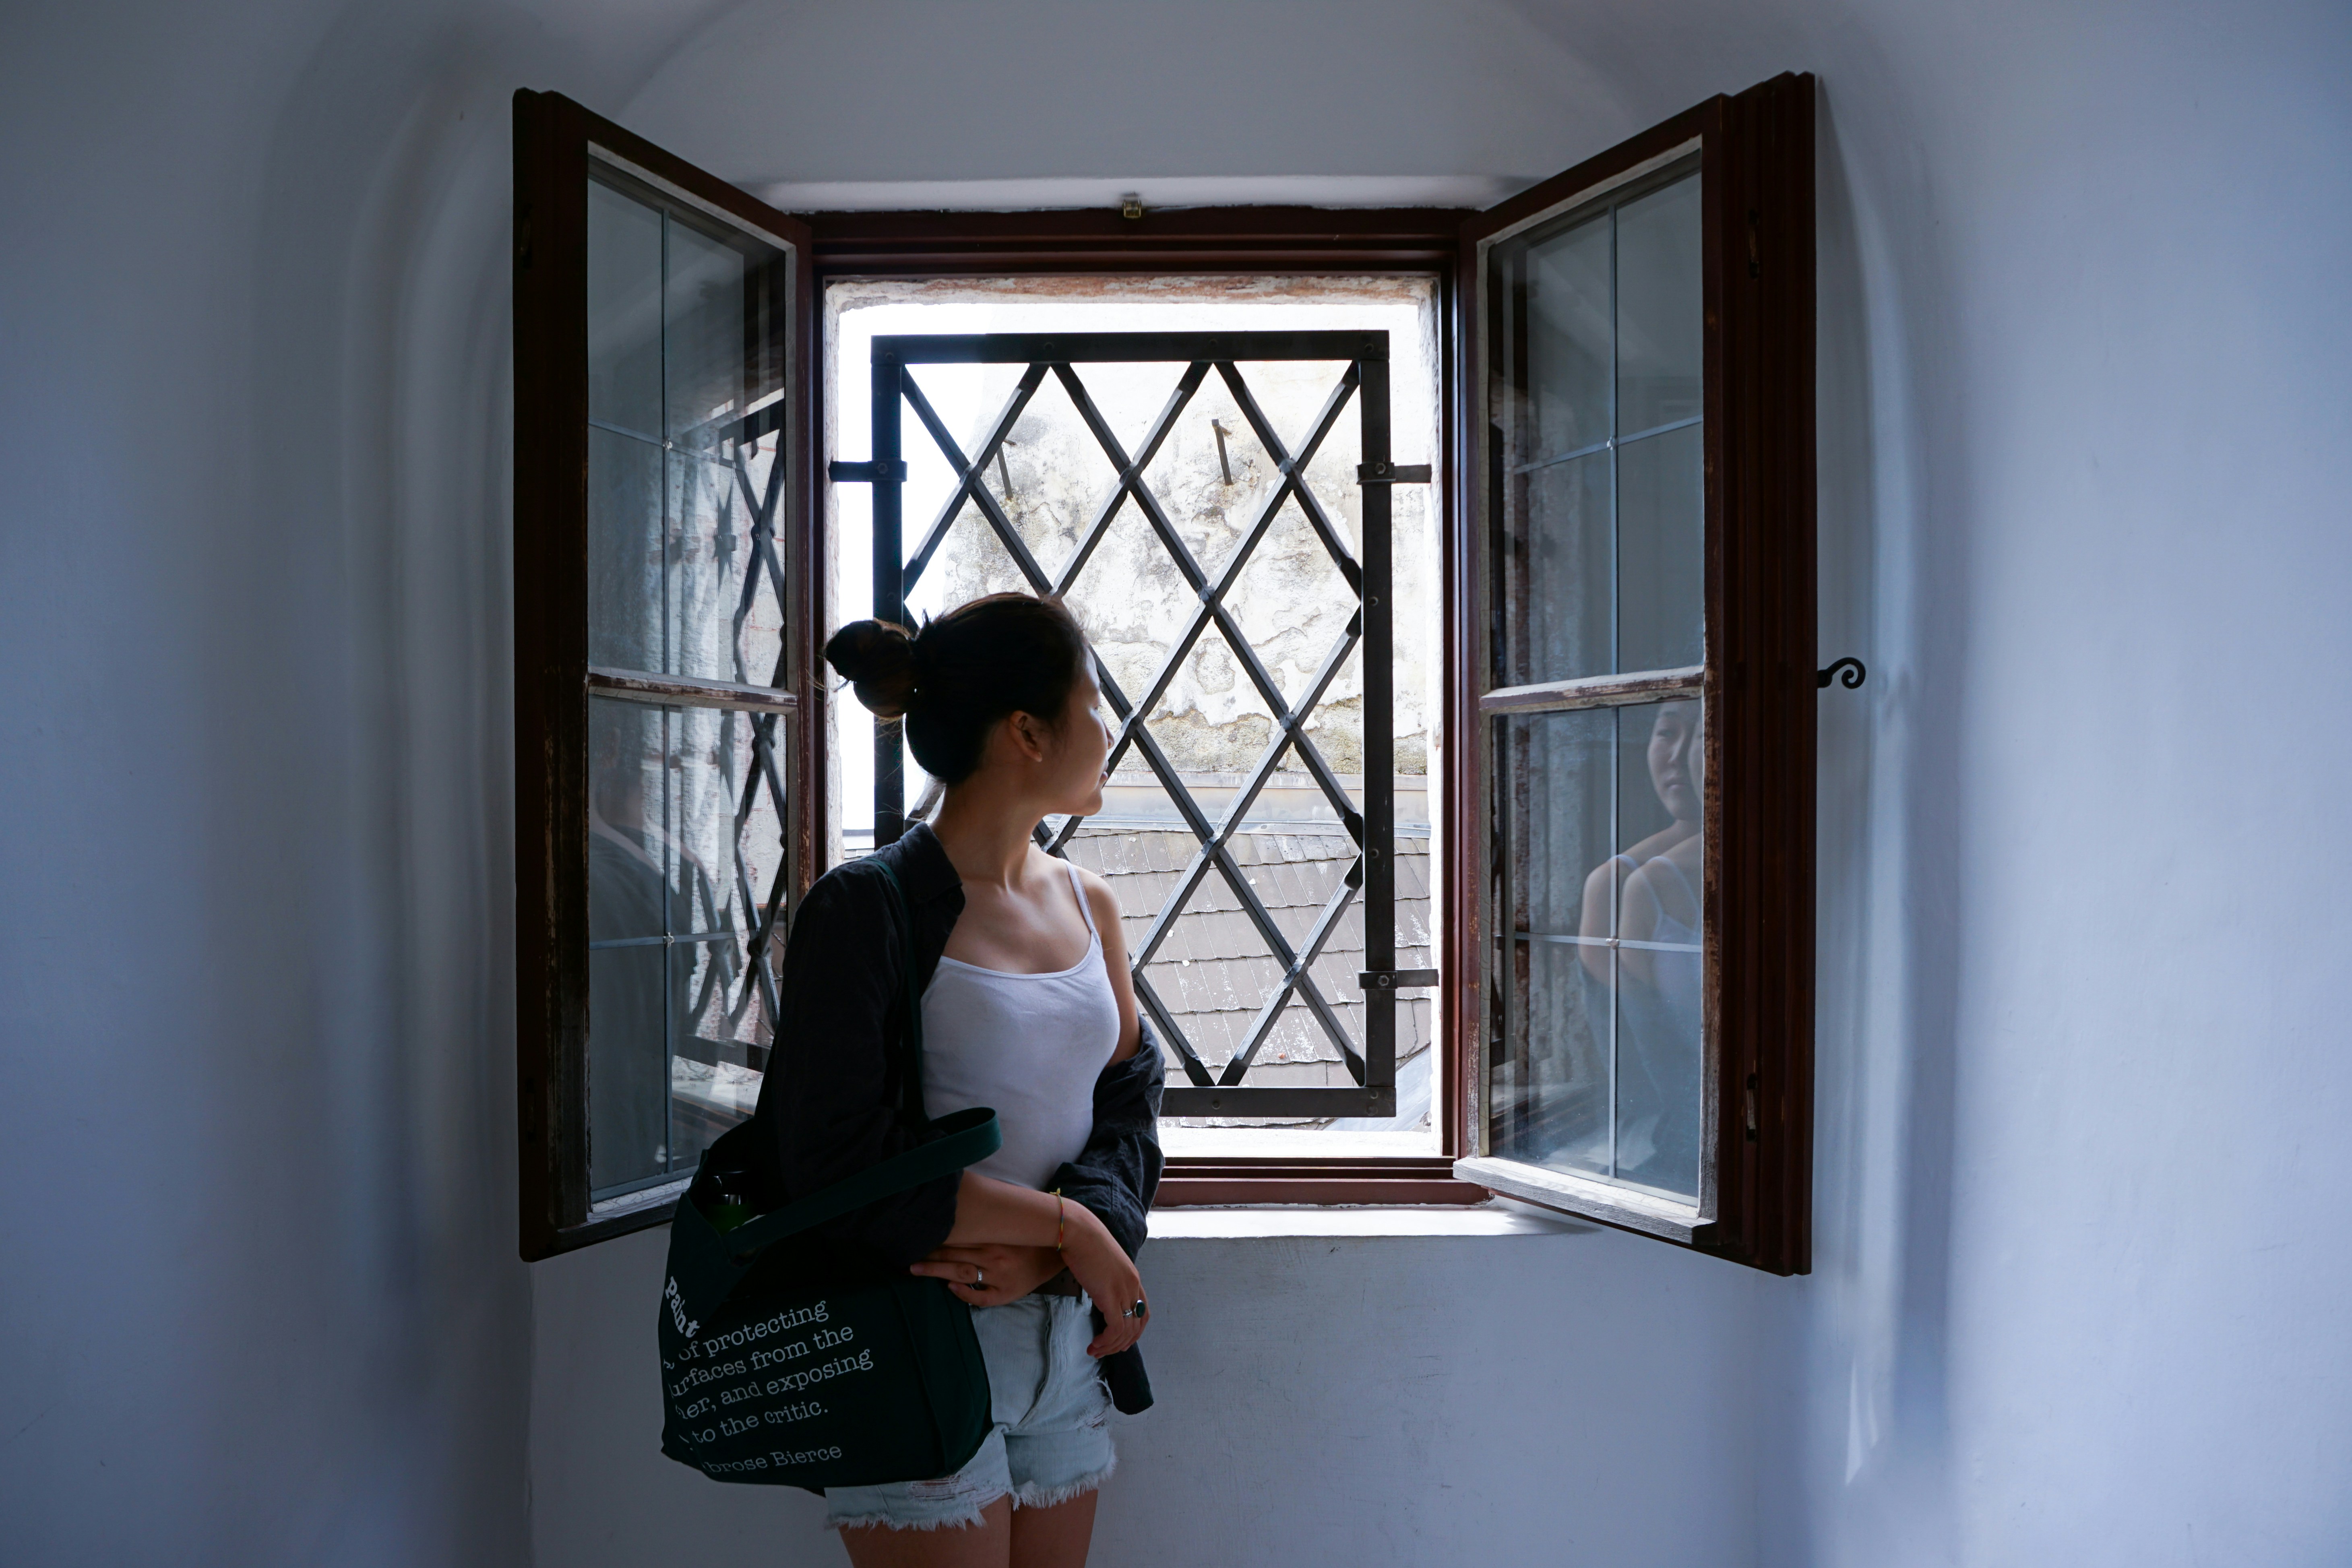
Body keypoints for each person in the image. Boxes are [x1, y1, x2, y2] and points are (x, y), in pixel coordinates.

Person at [750, 592, 1162, 1567]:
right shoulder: (864, 907)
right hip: (911, 1332)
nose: (1109, 729)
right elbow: (829, 1160)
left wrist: (1065, 1254)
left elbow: (1127, 1109)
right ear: (1025, 730)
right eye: (1093, 700)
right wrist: (1066, 1227)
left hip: (1065, 1344)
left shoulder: (1088, 900)